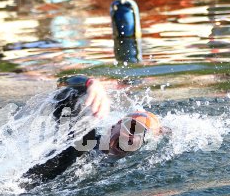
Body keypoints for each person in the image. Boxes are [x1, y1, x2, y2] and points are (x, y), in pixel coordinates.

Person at [23, 75, 166, 186]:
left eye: (141, 135)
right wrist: (90, 84)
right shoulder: (85, 142)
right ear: (115, 125)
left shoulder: (127, 167)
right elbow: (63, 91)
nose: (132, 136)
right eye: (132, 127)